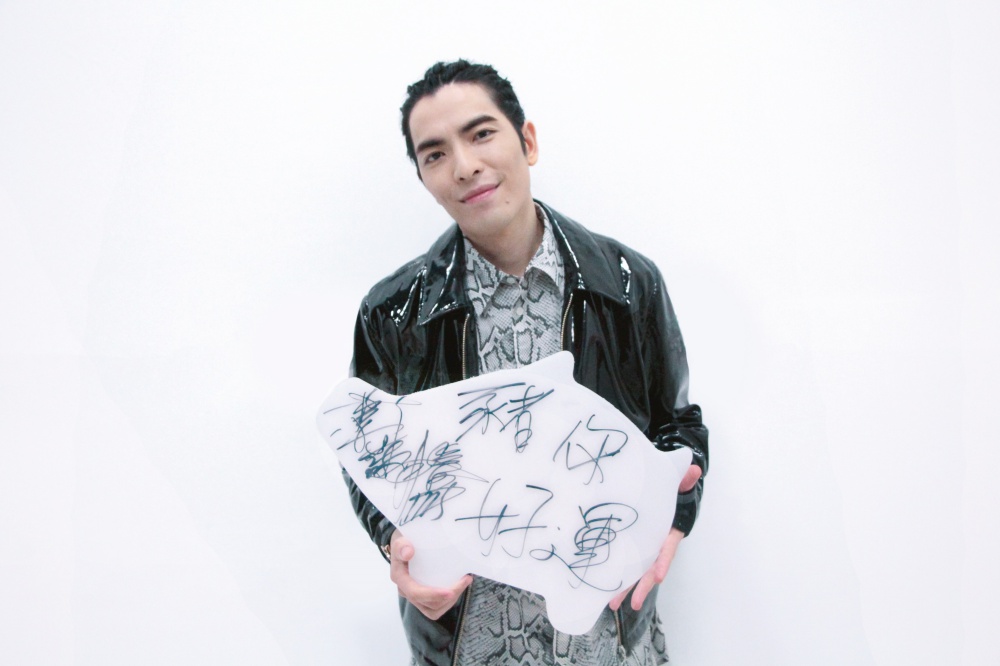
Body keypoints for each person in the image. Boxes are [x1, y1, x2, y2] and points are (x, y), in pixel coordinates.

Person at [343, 60, 709, 666]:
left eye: (481, 134)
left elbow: (678, 423)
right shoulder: (392, 313)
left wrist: (674, 519)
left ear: (527, 141)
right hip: (471, 642)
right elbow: (367, 455)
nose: (465, 165)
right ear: (424, 178)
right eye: (435, 154)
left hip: (605, 636)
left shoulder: (627, 283)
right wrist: (395, 547)